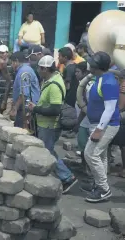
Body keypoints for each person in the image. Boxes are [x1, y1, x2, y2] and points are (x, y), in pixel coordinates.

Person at [28, 55, 78, 194]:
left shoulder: (55, 85)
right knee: (48, 150)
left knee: (48, 152)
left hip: (50, 125)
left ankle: (67, 177)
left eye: (40, 68)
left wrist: (35, 108)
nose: (38, 70)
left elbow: (55, 110)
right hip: (45, 124)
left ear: (45, 69)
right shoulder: (50, 80)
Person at [81, 52, 121, 202]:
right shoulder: (100, 78)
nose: (89, 65)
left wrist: (99, 129)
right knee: (101, 156)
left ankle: (104, 189)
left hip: (106, 126)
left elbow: (110, 109)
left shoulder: (108, 82)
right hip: (98, 124)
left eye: (91, 63)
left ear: (96, 66)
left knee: (90, 154)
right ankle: (99, 185)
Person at [9, 52, 40, 129]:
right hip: (26, 106)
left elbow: (24, 94)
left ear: (16, 61)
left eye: (12, 63)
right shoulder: (25, 69)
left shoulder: (24, 71)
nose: (11, 65)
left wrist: (15, 108)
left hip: (26, 108)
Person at [75, 62, 94, 177]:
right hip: (86, 119)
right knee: (82, 143)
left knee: (89, 147)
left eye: (78, 72)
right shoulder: (82, 84)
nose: (76, 74)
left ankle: (90, 170)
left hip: (91, 118)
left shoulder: (89, 85)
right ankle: (85, 166)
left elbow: (85, 105)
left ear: (85, 72)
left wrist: (78, 121)